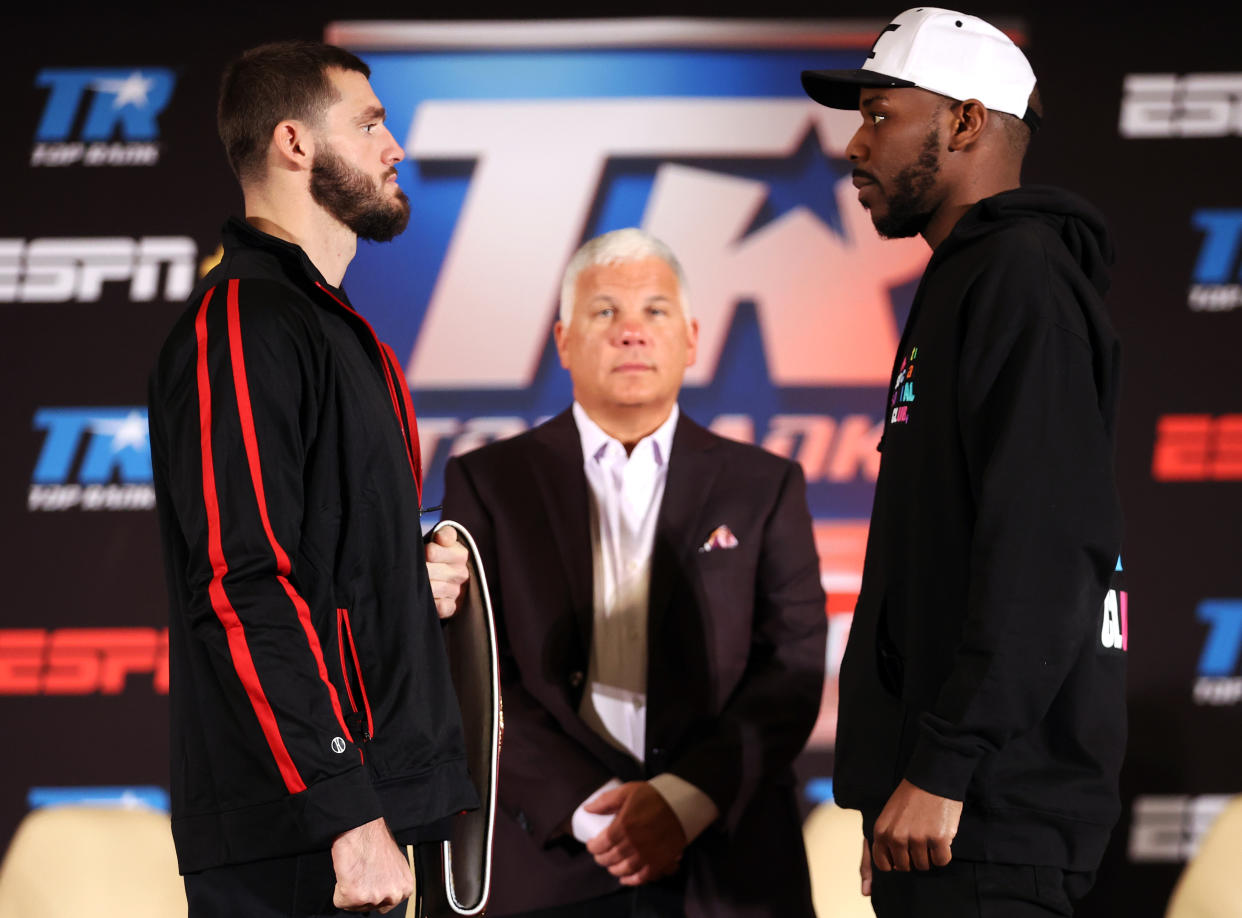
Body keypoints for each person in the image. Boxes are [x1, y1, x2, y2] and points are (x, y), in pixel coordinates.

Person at [801, 8, 1125, 917]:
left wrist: (945, 767)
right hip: (951, 818)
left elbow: (1048, 551)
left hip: (992, 815)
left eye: (878, 115)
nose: (856, 146)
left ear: (966, 122)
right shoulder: (969, 279)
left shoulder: (1021, 277)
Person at [148, 40, 478, 917]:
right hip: (304, 839)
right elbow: (242, 582)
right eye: (370, 123)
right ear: (295, 144)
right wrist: (345, 814)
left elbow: (322, 560)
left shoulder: (333, 331)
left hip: (368, 813)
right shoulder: (241, 322)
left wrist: (412, 572)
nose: (393, 145)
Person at [439, 228, 827, 917]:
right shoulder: (490, 482)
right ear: (562, 341)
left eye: (654, 311)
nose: (631, 333)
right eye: (604, 312)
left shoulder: (764, 485)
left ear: (692, 336)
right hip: (551, 863)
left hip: (727, 868)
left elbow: (790, 666)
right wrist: (594, 814)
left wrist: (681, 804)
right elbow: (477, 676)